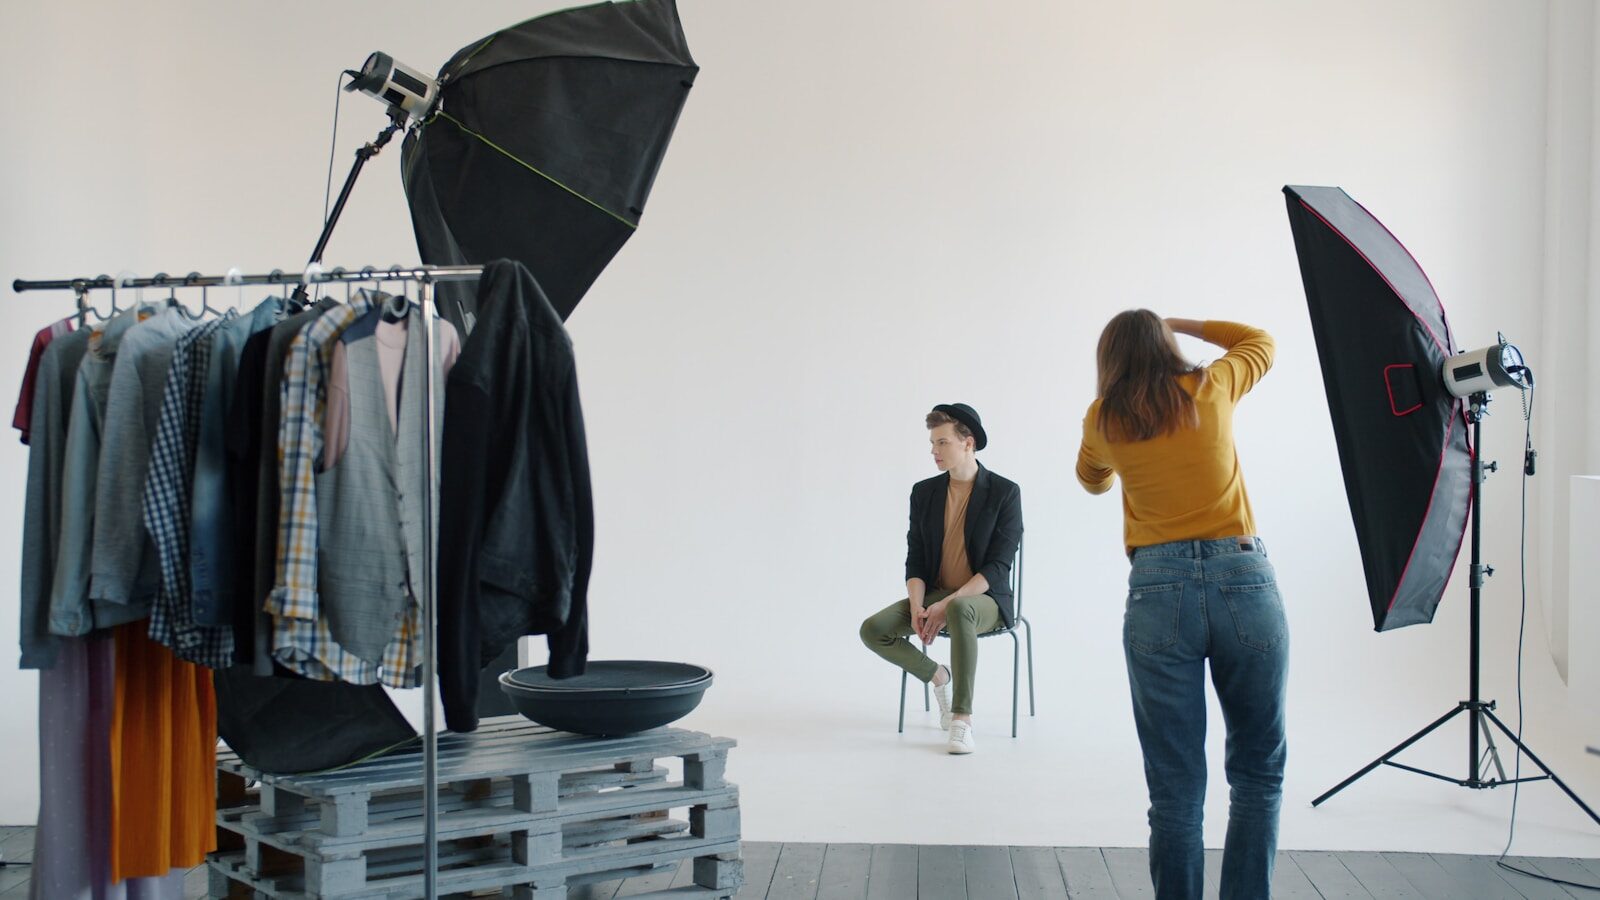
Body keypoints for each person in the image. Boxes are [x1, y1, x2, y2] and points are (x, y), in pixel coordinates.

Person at [1076, 313, 1284, 900]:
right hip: (1243, 578)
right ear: (1166, 346)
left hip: (1158, 589)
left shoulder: (1104, 420)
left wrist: (1125, 460)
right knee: (1258, 772)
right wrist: (1182, 322)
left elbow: (1090, 479)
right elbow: (1260, 342)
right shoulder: (1213, 389)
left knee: (1174, 789)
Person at [859, 403, 1022, 754]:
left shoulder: (1005, 493)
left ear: (968, 443)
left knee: (961, 608)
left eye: (942, 442)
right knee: (873, 629)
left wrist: (947, 604)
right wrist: (919, 605)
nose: (934, 451)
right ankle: (938, 676)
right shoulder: (925, 492)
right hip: (934, 595)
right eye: (933, 443)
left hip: (985, 601)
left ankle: (961, 719)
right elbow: (915, 557)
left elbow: (997, 567)